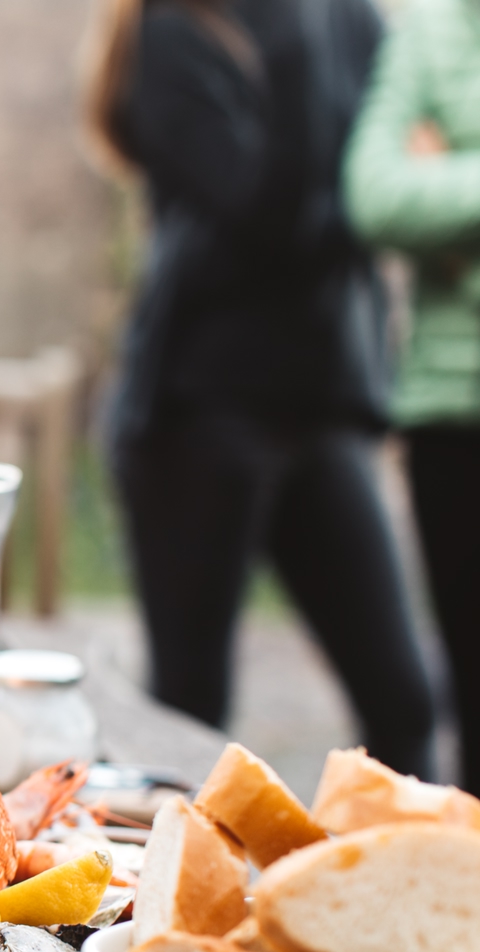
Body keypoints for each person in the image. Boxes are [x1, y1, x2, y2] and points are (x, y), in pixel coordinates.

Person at [79, 0, 437, 777]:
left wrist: (376, 199)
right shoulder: (172, 29)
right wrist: (358, 201)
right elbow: (267, 215)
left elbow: (399, 175)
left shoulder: (350, 18)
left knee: (405, 699)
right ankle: (173, 861)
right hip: (199, 413)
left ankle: (406, 859)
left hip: (322, 407)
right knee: (191, 708)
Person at [343, 0, 480, 789]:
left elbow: (419, 195)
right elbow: (378, 191)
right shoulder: (429, 32)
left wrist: (451, 183)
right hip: (452, 415)